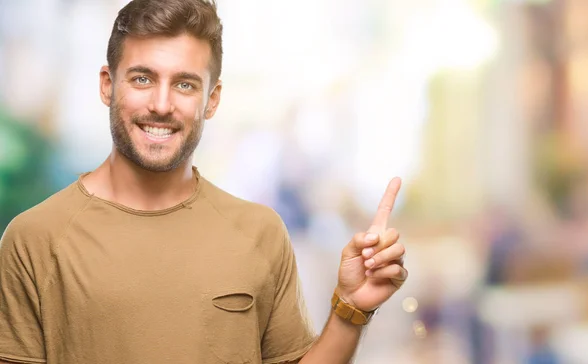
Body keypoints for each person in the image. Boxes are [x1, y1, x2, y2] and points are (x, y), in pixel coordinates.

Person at [0, 0, 407, 363]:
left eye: (184, 84)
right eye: (142, 78)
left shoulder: (260, 233)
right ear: (108, 85)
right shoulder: (35, 239)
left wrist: (350, 309)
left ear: (211, 99)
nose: (161, 105)